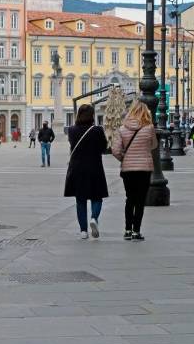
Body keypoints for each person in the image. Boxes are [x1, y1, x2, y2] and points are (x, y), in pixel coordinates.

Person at [113, 101, 157, 242]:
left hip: (128, 170)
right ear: (146, 113)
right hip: (144, 168)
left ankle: (127, 230)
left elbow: (115, 151)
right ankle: (136, 231)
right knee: (140, 201)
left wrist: (124, 159)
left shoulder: (122, 129)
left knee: (130, 199)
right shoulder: (149, 128)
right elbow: (154, 145)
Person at [64, 104, 108, 240]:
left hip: (77, 168)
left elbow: (72, 146)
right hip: (94, 167)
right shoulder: (98, 130)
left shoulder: (71, 130)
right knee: (97, 197)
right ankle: (94, 218)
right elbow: (103, 148)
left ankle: (83, 231)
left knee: (80, 200)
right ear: (92, 115)